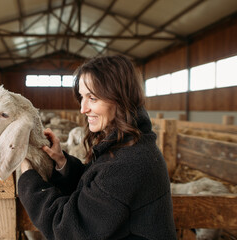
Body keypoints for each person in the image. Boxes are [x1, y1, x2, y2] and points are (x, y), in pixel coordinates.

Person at [18, 55, 177, 240]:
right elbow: (98, 187)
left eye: (92, 98)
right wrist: (62, 161)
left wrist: (29, 180)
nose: (83, 109)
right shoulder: (129, 144)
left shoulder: (129, 163)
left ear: (119, 98)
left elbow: (68, 229)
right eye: (82, 97)